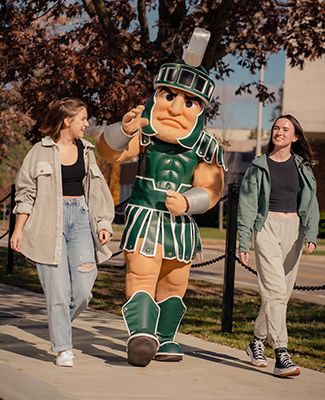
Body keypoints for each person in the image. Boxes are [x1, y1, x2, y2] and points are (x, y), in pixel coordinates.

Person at [97, 28, 225, 367]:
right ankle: (140, 333)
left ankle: (167, 337)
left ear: (200, 109)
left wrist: (189, 202)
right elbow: (109, 154)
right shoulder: (141, 131)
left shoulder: (206, 146)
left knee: (175, 279)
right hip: (145, 214)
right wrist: (122, 131)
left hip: (180, 221)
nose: (175, 107)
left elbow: (213, 188)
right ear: (156, 96)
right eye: (168, 96)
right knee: (140, 274)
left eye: (188, 101)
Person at [10, 97, 115, 367]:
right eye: (82, 119)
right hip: (47, 223)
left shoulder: (87, 151)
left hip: (80, 220)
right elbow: (26, 193)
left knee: (82, 291)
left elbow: (97, 192)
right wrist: (18, 230)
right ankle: (63, 347)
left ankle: (59, 326)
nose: (86, 124)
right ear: (67, 120)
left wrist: (103, 224)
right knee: (57, 293)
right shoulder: (39, 152)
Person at [237, 114, 319, 377]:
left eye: (285, 129)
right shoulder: (259, 166)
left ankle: (256, 342)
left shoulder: (303, 167)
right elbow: (247, 206)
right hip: (266, 229)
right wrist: (243, 241)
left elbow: (311, 202)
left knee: (279, 294)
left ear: (295, 137)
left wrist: (311, 234)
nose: (279, 132)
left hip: (293, 231)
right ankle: (281, 352)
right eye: (276, 128)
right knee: (274, 290)